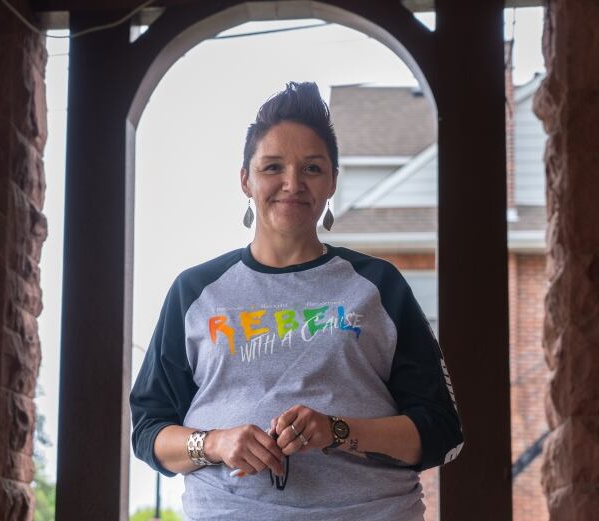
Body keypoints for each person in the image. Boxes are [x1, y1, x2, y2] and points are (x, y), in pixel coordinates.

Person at [129, 81, 464, 521]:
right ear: (245, 180)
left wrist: (336, 430)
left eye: (311, 168)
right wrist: (215, 442)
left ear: (331, 182)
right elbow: (149, 431)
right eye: (272, 167)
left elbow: (442, 431)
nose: (292, 183)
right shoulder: (195, 292)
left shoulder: (378, 286)